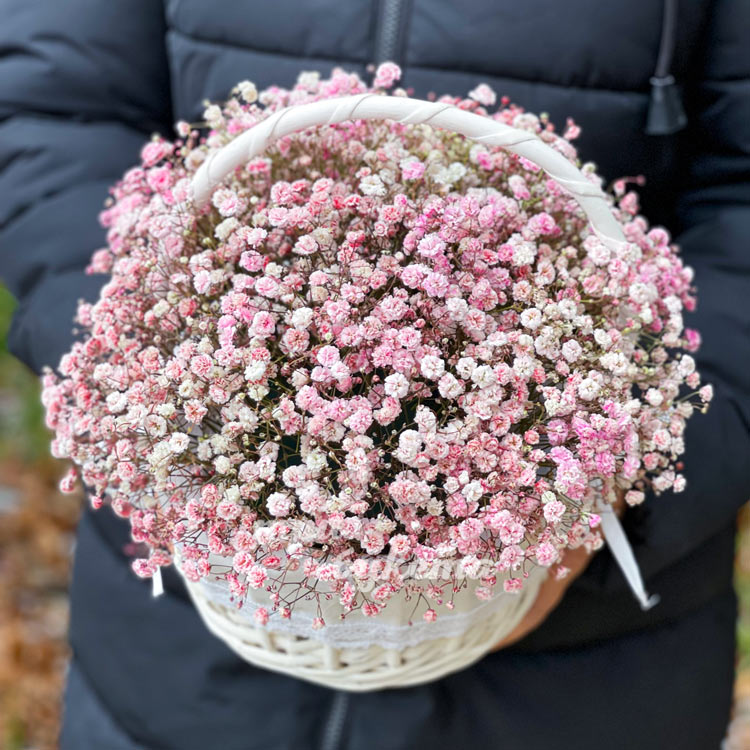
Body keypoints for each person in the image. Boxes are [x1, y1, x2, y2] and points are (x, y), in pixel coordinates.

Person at [1, 1, 748, 748]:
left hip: (590, 677)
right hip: (173, 664)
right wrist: (119, 350)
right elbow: (51, 110)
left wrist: (611, 495)